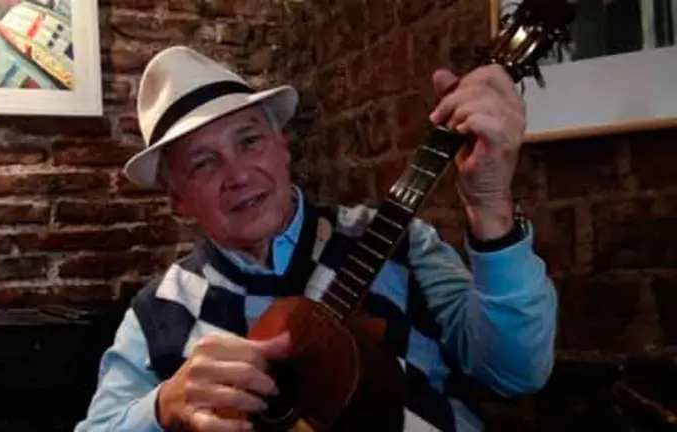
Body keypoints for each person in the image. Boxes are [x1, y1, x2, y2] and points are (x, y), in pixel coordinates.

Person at [75, 45, 557, 432]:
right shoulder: (159, 310)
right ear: (178, 198)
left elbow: (517, 373)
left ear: (282, 146)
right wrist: (162, 406)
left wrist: (490, 208)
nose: (238, 175)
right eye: (204, 163)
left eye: (249, 141)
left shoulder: (398, 239)